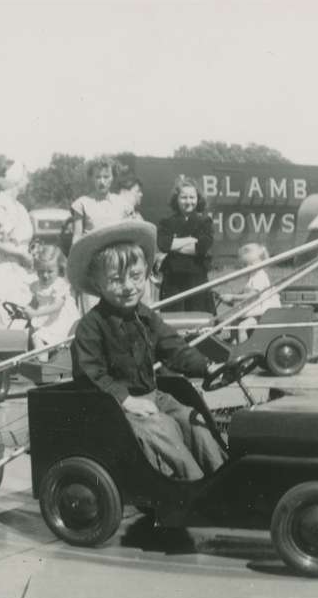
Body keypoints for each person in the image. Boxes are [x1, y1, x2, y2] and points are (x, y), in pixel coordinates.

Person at [67, 220, 227, 480]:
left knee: (193, 420)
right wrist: (126, 400)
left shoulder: (146, 316)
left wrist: (206, 366)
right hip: (115, 408)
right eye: (116, 280)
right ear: (97, 284)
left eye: (136, 277)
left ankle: (221, 476)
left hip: (153, 396)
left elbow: (173, 346)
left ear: (145, 275)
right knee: (162, 428)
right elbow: (90, 374)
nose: (129, 286)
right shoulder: (91, 327)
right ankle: (193, 486)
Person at [0, 161, 36, 329]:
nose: (28, 182)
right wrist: (19, 253)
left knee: (25, 318)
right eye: (26, 177)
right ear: (17, 179)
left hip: (24, 270)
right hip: (5, 270)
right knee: (6, 318)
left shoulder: (21, 208)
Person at [156, 176, 215, 313]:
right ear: (176, 199)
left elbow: (202, 247)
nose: (188, 201)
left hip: (197, 280)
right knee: (174, 322)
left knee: (198, 321)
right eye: (184, 197)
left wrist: (174, 246)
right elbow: (163, 245)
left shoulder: (205, 221)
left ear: (198, 198)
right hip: (173, 282)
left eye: (192, 197)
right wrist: (190, 239)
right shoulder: (167, 222)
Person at [219, 243, 282, 342]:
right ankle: (234, 343)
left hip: (262, 314)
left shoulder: (260, 276)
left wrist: (233, 297)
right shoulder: (252, 276)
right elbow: (244, 293)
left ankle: (244, 351)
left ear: (261, 262)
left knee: (242, 327)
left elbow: (253, 295)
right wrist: (229, 299)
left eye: (251, 264)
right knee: (234, 323)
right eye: (245, 265)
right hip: (254, 311)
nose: (248, 267)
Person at [24, 244, 80, 351]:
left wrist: (35, 313)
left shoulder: (60, 285)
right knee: (27, 333)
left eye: (50, 271)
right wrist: (26, 308)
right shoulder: (37, 285)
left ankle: (41, 363)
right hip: (45, 320)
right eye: (41, 271)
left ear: (59, 269)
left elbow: (57, 306)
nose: (45, 275)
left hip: (60, 322)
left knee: (38, 338)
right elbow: (36, 301)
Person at [70, 157, 128, 244]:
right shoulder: (82, 204)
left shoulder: (121, 203)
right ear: (92, 178)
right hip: (91, 253)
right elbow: (77, 236)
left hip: (116, 252)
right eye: (98, 177)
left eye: (106, 177)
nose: (102, 181)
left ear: (113, 178)